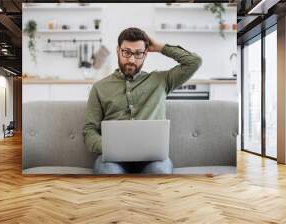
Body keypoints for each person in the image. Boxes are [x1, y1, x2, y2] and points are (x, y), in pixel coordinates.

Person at [83, 27, 202, 174]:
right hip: (113, 160)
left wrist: (160, 47)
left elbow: (194, 62)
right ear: (118, 50)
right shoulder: (99, 88)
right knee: (108, 171)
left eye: (138, 53)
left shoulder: (161, 81)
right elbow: (89, 131)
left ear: (146, 54)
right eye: (126, 52)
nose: (131, 59)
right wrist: (108, 146)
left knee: (159, 170)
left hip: (153, 159)